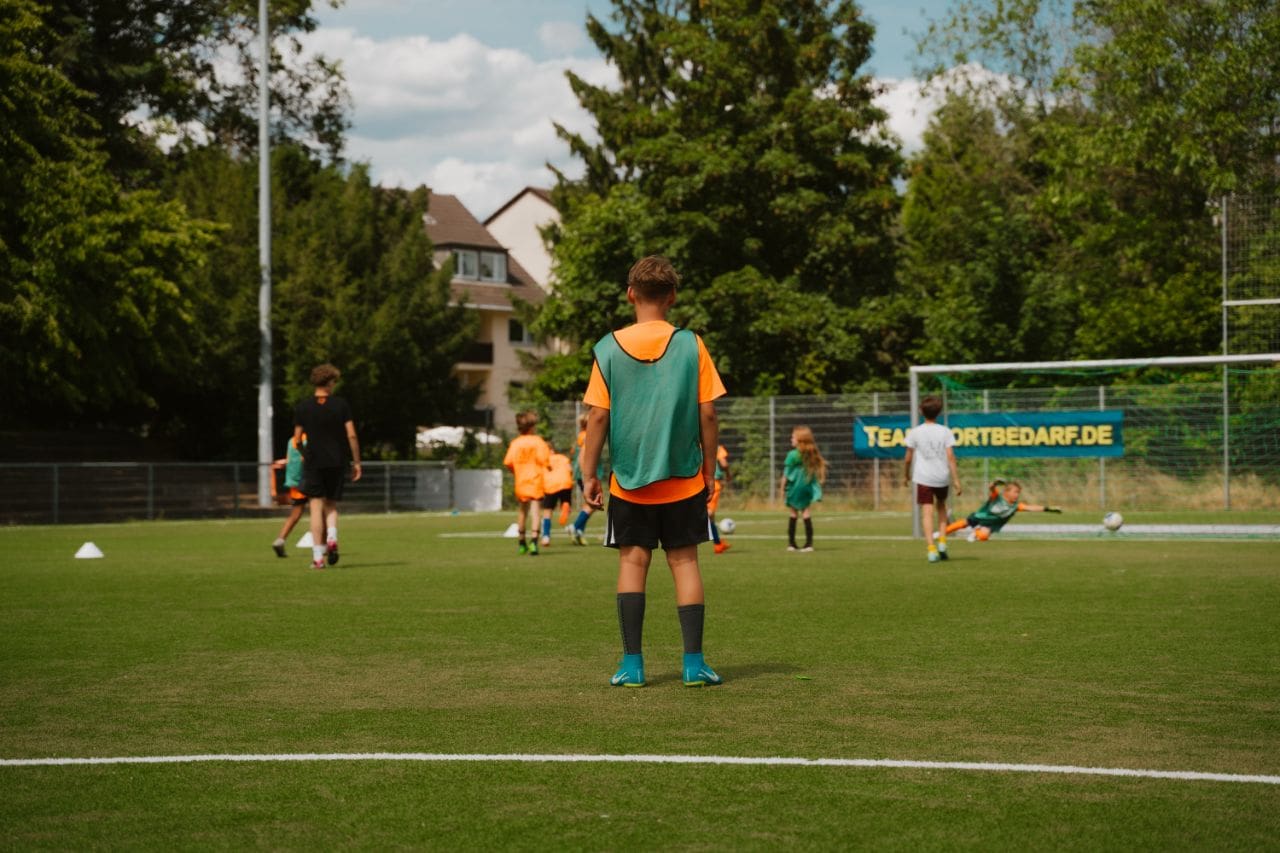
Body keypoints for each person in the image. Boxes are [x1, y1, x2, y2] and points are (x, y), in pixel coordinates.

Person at [580, 255, 726, 688]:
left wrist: (588, 474)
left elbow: (597, 417)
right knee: (685, 562)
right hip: (684, 479)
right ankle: (694, 665)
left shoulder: (607, 348)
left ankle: (633, 666)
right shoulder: (692, 344)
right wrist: (709, 471)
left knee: (632, 562)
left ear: (631, 294)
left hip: (628, 482)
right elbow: (709, 414)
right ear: (672, 297)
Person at [293, 364, 362, 569]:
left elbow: (297, 439)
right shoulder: (341, 405)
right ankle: (331, 537)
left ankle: (317, 558)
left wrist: (305, 455)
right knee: (331, 506)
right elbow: (351, 435)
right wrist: (357, 462)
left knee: (316, 507)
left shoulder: (303, 407)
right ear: (330, 382)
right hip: (337, 461)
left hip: (314, 462)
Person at [903, 395, 961, 563]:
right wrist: (956, 479)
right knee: (941, 507)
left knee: (927, 512)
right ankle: (942, 542)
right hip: (941, 477)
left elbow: (908, 458)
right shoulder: (945, 431)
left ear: (921, 411)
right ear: (939, 412)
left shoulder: (915, 432)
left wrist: (906, 475)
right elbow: (951, 457)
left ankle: (931, 549)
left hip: (924, 477)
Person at [945, 479, 1062, 540]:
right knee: (964, 523)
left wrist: (1048, 509)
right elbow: (991, 488)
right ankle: (942, 533)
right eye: (1015, 492)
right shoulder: (997, 497)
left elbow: (1031, 507)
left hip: (989, 525)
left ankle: (975, 533)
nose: (1017, 495)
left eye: (1018, 492)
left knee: (983, 537)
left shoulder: (1015, 506)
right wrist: (995, 483)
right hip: (981, 516)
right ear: (1007, 492)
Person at [503, 410, 551, 556]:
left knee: (522, 511)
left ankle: (522, 542)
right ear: (531, 427)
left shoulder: (515, 443)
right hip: (535, 480)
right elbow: (545, 460)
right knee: (535, 511)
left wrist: (517, 472)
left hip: (521, 481)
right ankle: (534, 542)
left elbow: (508, 462)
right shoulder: (538, 441)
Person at [781, 426, 826, 552]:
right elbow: (817, 469)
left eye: (793, 437)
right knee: (806, 512)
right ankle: (809, 544)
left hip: (795, 486)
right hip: (806, 485)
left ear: (800, 440)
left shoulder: (792, 455)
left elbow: (786, 474)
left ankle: (791, 544)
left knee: (793, 513)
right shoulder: (810, 454)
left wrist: (782, 488)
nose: (791, 439)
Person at [568, 411, 604, 545]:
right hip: (586, 475)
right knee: (593, 503)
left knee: (590, 503)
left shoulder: (581, 435)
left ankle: (579, 532)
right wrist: (588, 476)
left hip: (581, 474)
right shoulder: (588, 436)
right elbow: (582, 456)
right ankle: (575, 526)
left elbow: (573, 453)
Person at [271, 432, 308, 557]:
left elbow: (292, 460)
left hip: (295, 481)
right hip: (309, 479)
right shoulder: (311, 438)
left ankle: (280, 540)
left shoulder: (291, 440)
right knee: (322, 510)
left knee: (295, 514)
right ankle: (324, 546)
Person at [540, 444, 574, 546]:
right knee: (566, 502)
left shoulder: (543, 460)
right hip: (566, 483)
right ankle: (565, 505)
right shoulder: (563, 457)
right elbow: (570, 470)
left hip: (551, 485)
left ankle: (546, 536)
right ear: (553, 450)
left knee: (547, 511)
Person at [706, 444, 732, 554]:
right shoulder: (717, 447)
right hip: (713, 484)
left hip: (697, 483)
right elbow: (724, 464)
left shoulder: (695, 445)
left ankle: (718, 544)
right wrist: (728, 474)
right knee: (709, 513)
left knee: (711, 517)